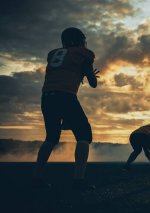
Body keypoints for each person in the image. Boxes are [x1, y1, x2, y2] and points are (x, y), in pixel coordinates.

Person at [33, 27, 99, 190]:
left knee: (51, 138)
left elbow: (63, 69)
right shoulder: (84, 54)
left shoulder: (53, 54)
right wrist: (89, 74)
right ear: (80, 40)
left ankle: (38, 177)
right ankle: (79, 181)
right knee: (84, 135)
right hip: (66, 96)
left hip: (47, 96)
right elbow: (93, 83)